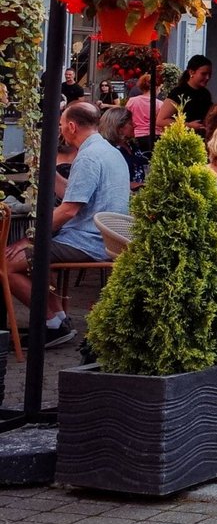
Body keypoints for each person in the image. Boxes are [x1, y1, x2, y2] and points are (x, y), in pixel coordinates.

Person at [3, 102, 129, 348]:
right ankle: (58, 320)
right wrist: (45, 171)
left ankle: (51, 322)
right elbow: (75, 194)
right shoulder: (107, 150)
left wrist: (30, 237)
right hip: (102, 237)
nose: (60, 131)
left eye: (61, 126)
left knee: (6, 264)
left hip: (88, 241)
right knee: (39, 259)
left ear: (72, 126)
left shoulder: (89, 157)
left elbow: (69, 210)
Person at [156, 55, 213, 132]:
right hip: (182, 140)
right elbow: (161, 120)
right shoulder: (178, 93)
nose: (207, 77)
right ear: (191, 72)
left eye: (209, 74)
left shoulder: (205, 94)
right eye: (203, 74)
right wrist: (188, 125)